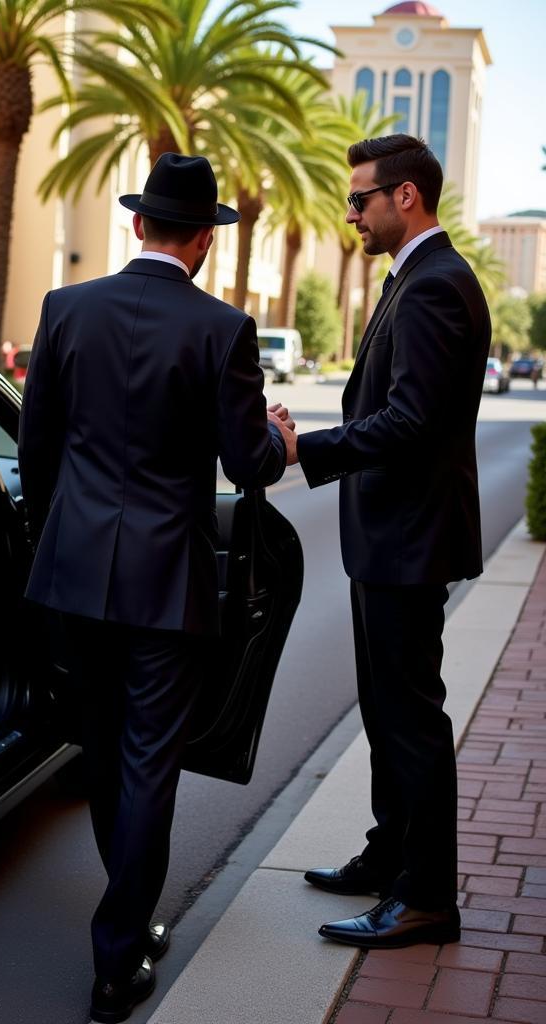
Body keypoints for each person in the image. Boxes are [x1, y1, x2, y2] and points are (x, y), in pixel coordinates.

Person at [18, 152, 295, 1023]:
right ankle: (119, 955)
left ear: (138, 224)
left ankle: (127, 925)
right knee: (147, 766)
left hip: (72, 575)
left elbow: (35, 453)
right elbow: (247, 464)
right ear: (204, 242)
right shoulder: (223, 328)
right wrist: (280, 434)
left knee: (102, 754)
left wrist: (58, 534)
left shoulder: (66, 309)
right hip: (169, 586)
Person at [295, 134, 491, 949]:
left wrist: (308, 448)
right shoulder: (415, 278)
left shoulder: (436, 285)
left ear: (404, 196)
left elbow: (410, 421)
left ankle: (426, 899)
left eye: (361, 198)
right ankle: (388, 857)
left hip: (408, 540)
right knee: (386, 711)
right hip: (393, 538)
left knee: (410, 719)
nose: (353, 213)